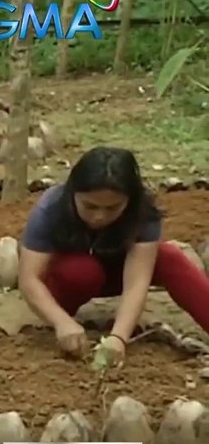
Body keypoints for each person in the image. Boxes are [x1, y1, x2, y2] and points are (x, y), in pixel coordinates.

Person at [18, 146, 209, 365]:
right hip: (69, 279)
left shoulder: (142, 212)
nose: (99, 216)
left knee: (169, 256)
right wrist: (61, 322)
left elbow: (137, 282)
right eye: (89, 206)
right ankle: (66, 320)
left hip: (119, 270)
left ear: (129, 199)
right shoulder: (50, 208)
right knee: (83, 271)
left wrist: (118, 337)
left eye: (112, 208)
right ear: (73, 193)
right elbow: (29, 279)